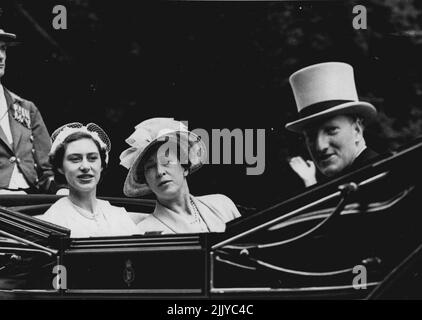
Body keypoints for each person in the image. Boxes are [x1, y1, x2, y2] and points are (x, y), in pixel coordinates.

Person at [119, 118, 241, 234]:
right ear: (146, 181)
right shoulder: (144, 230)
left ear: (185, 167)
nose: (160, 171)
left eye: (167, 161)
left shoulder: (222, 205)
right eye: (150, 167)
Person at [38, 123, 140, 238]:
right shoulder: (54, 220)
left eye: (92, 158)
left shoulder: (118, 215)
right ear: (60, 167)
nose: (85, 166)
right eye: (75, 159)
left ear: (101, 165)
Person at [285, 62, 380, 185]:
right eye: (311, 136)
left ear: (357, 130)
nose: (320, 146)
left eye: (331, 130)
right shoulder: (351, 180)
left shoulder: (377, 179)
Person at [0, 28, 60, 194]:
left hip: (29, 200)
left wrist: (59, 189)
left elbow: (48, 167)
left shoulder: (27, 108)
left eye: (3, 48)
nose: (1, 56)